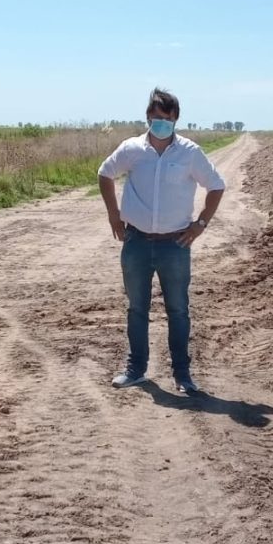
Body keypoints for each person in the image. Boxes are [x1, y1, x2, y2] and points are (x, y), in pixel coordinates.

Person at [98, 88, 225, 393]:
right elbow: (105, 173)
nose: (161, 123)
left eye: (167, 119)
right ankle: (135, 369)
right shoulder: (132, 149)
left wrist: (200, 225)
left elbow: (216, 186)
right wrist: (114, 216)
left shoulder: (190, 153)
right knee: (137, 309)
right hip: (137, 242)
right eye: (156, 118)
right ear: (148, 117)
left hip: (175, 245)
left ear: (176, 119)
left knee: (178, 310)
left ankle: (182, 375)